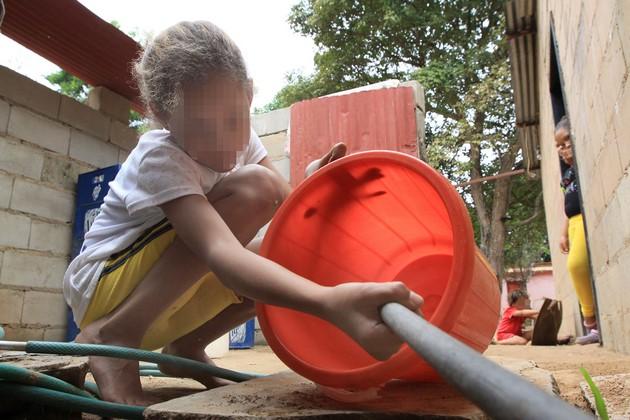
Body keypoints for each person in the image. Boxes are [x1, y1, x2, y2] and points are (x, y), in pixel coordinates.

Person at [62, 20, 422, 406]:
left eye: (234, 119)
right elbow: (222, 251)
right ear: (164, 121)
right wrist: (326, 302)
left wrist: (315, 184)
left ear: (248, 95)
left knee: (284, 250)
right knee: (255, 190)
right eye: (201, 128)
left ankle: (186, 347)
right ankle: (113, 337)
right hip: (105, 288)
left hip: (162, 305)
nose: (225, 142)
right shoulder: (160, 156)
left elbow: (288, 211)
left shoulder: (244, 140)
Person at [555, 116, 599, 345]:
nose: (562, 150)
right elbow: (565, 207)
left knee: (576, 265)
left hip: (583, 219)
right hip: (572, 223)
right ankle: (592, 328)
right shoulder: (568, 175)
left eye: (566, 143)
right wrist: (563, 233)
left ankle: (591, 323)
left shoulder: (582, 166)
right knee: (575, 265)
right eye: (559, 147)